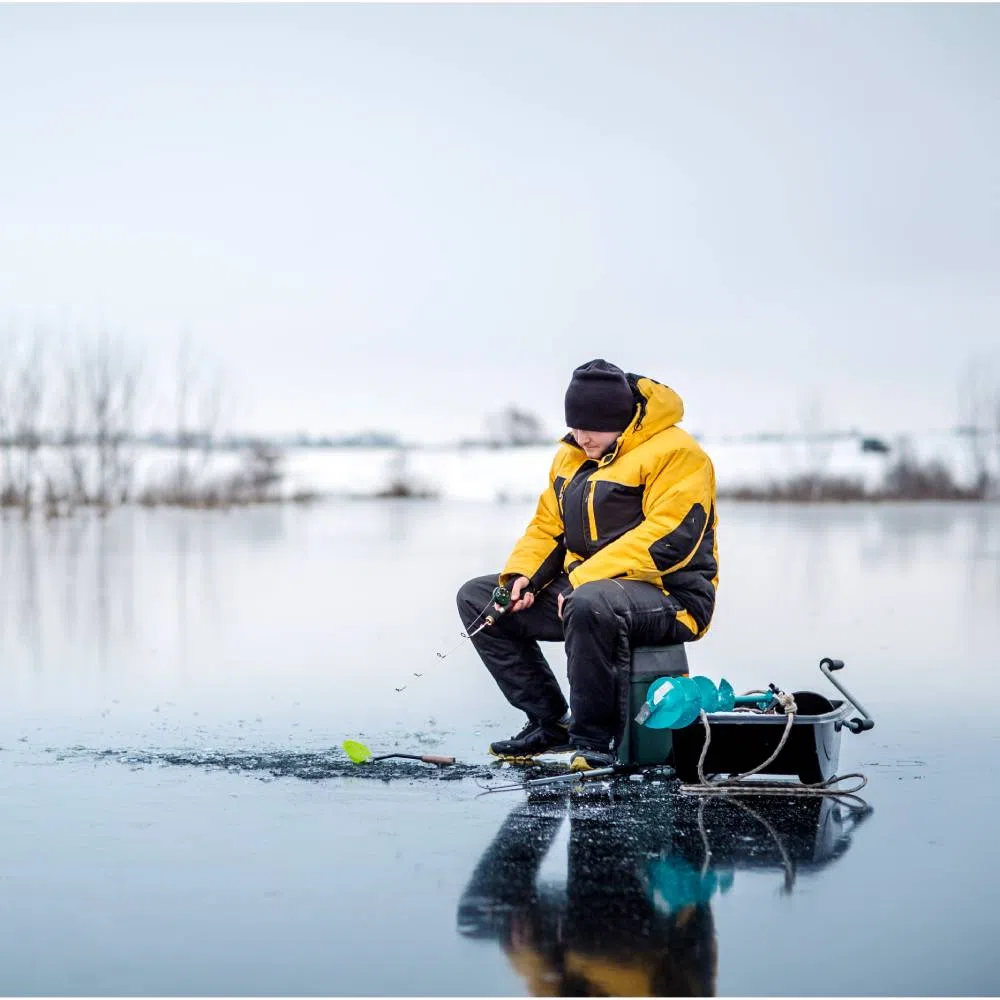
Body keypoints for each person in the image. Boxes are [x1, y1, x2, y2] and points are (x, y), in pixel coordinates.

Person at [456, 359, 718, 771]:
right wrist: (522, 578)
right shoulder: (571, 456)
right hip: (587, 592)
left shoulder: (678, 454)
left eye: (590, 428)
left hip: (672, 596)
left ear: (620, 420)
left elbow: (670, 539)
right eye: (575, 427)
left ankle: (593, 740)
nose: (581, 436)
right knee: (480, 599)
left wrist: (582, 580)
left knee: (590, 601)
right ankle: (547, 722)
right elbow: (548, 528)